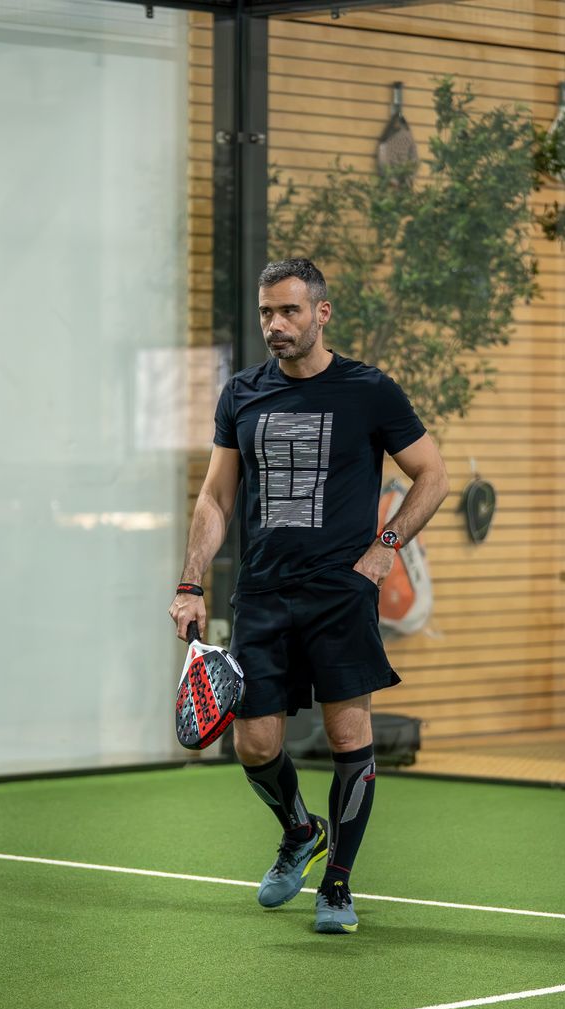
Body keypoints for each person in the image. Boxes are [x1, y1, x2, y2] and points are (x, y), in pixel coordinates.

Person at [169, 258, 449, 934]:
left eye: (289, 311)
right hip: (264, 592)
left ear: (321, 312)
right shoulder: (241, 394)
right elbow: (215, 496)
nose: (275, 325)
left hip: (340, 594)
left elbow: (432, 474)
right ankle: (300, 829)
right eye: (267, 312)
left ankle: (338, 885)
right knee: (255, 745)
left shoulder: (369, 390)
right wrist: (190, 581)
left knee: (350, 736)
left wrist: (386, 545)